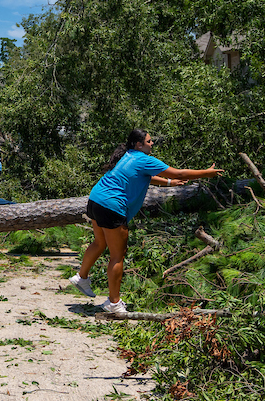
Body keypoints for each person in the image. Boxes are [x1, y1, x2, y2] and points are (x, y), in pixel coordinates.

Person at [69, 129, 223, 313]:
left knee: (100, 242)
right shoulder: (144, 159)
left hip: (96, 199)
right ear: (138, 144)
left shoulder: (129, 155)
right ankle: (114, 303)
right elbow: (179, 173)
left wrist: (167, 183)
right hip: (112, 205)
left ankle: (81, 277)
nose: (152, 144)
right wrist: (207, 173)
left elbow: (143, 176)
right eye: (149, 141)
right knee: (118, 255)